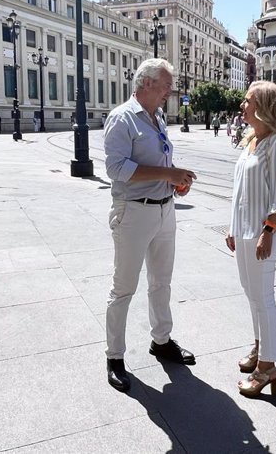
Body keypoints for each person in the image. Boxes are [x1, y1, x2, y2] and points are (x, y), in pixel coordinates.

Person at [103, 58, 197, 392]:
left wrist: (175, 180)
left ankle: (161, 340)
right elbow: (115, 168)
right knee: (124, 287)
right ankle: (115, 356)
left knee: (162, 282)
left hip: (164, 210)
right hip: (133, 212)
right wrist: (166, 174)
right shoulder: (122, 118)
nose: (170, 92)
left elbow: (158, 163)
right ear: (146, 83)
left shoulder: (157, 117)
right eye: (166, 86)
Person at [225, 80, 276, 398]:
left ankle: (268, 367)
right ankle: (259, 346)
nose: (243, 105)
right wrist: (231, 227)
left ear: (264, 106)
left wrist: (268, 231)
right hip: (243, 232)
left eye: (247, 100)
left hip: (262, 234)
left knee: (263, 298)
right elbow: (239, 192)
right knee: (251, 295)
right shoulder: (251, 140)